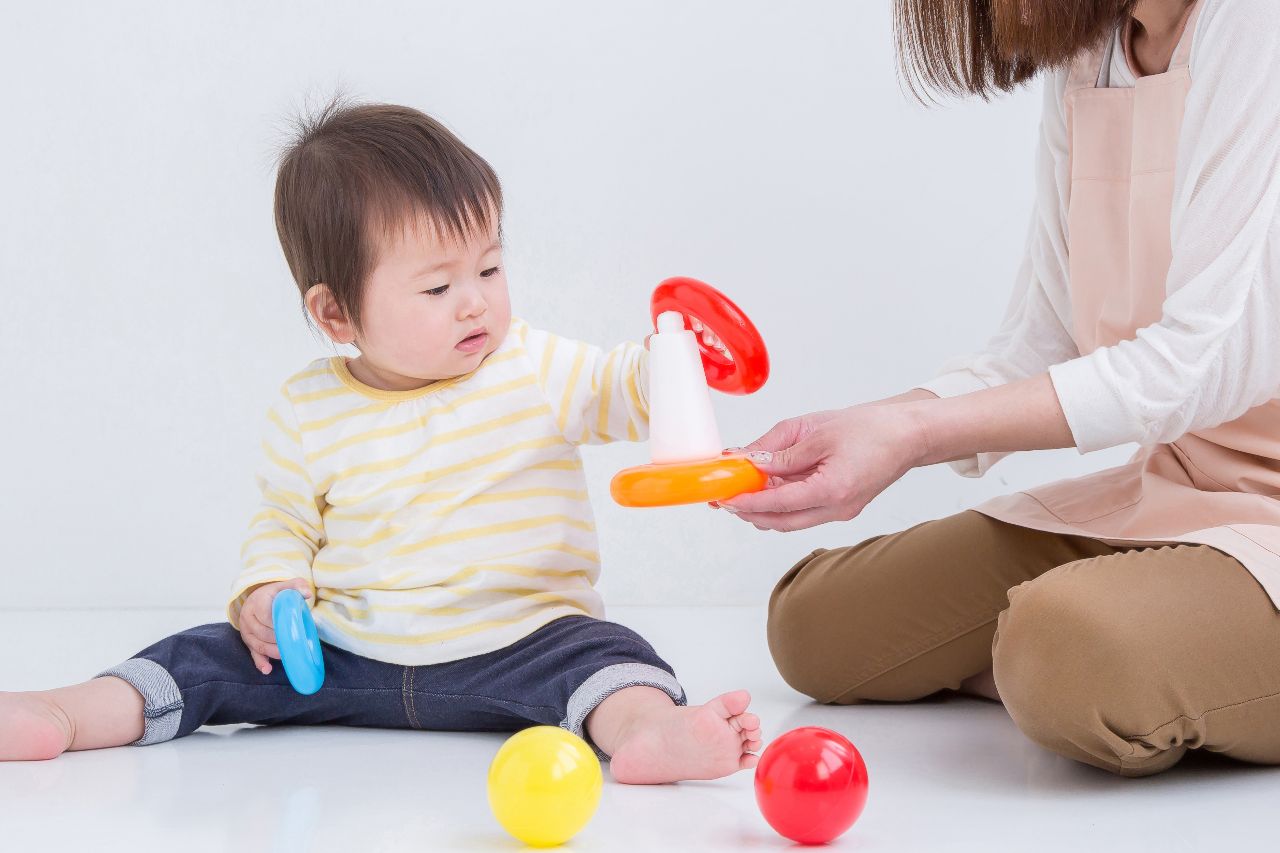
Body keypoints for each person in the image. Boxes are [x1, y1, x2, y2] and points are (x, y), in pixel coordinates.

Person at [0, 101, 762, 784]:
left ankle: (648, 733)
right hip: (345, 654)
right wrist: (267, 589)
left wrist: (674, 358)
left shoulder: (531, 364)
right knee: (200, 656)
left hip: (524, 641)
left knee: (615, 658)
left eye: (490, 267)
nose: (476, 302)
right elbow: (284, 522)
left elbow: (620, 388)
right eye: (437, 287)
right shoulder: (310, 407)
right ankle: (65, 712)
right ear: (335, 314)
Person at [721, 0, 1280, 777]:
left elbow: (1196, 363)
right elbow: (1040, 342)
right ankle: (1104, 672)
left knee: (1062, 649)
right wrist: (874, 426)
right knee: (817, 626)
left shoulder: (1258, 24)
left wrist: (918, 436)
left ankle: (1094, 671)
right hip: (1186, 490)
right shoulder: (1095, 52)